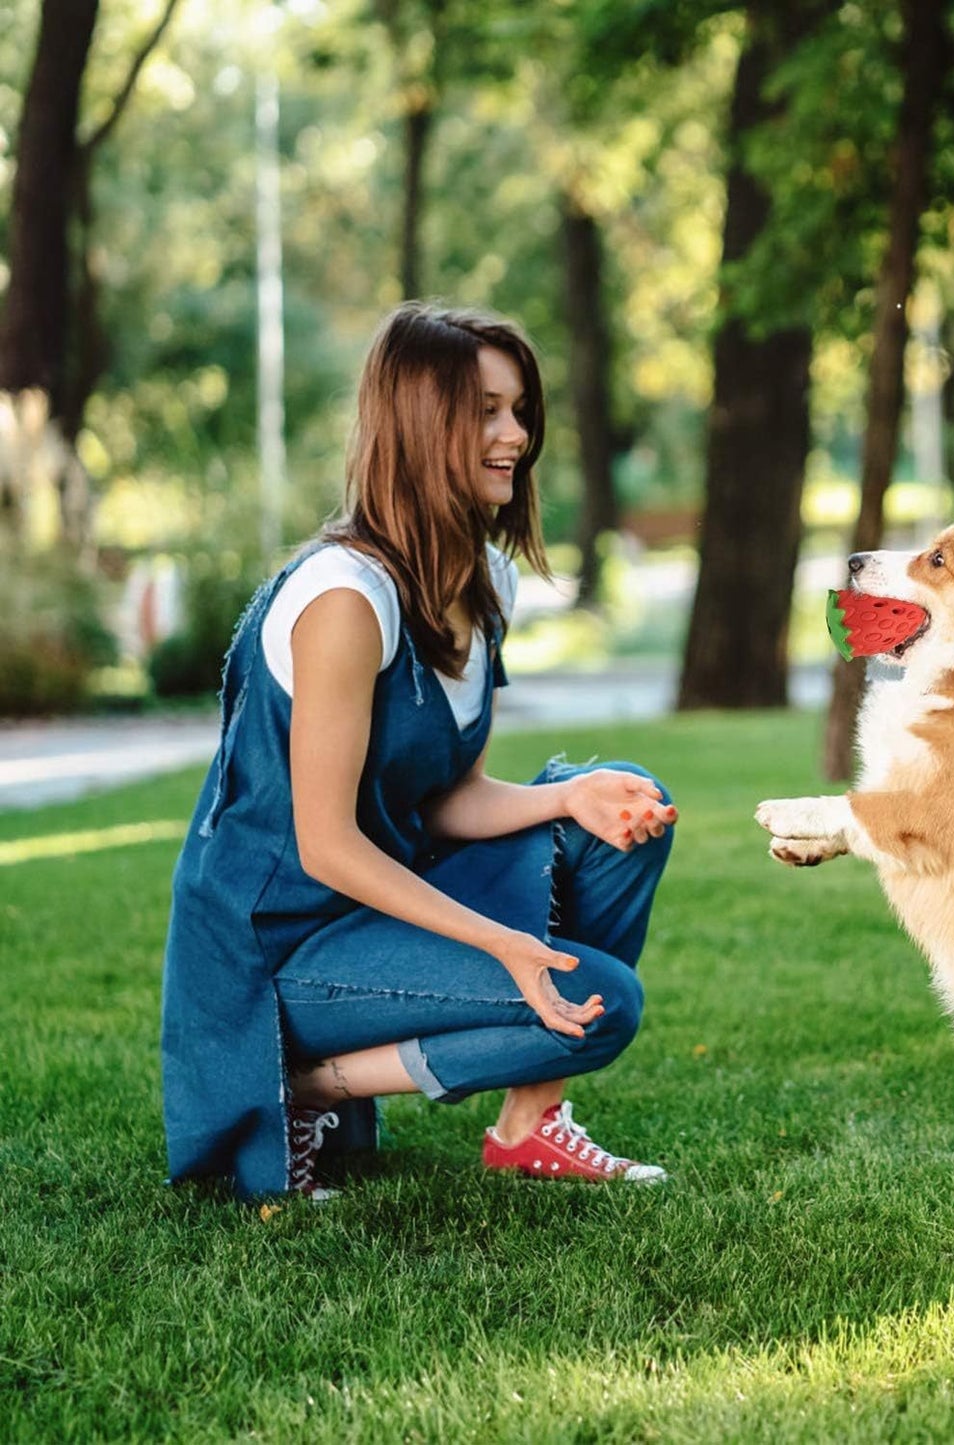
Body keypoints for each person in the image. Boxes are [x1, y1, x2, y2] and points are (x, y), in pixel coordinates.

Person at [161, 303, 676, 1201]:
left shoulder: (482, 578)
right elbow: (323, 844)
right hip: (280, 950)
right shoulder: (343, 600)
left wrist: (569, 797)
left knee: (625, 809)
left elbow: (446, 798)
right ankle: (301, 1082)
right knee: (607, 1001)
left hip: (381, 903)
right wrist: (505, 943)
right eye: (485, 410)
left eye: (517, 410)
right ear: (418, 424)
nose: (514, 435)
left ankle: (530, 1125)